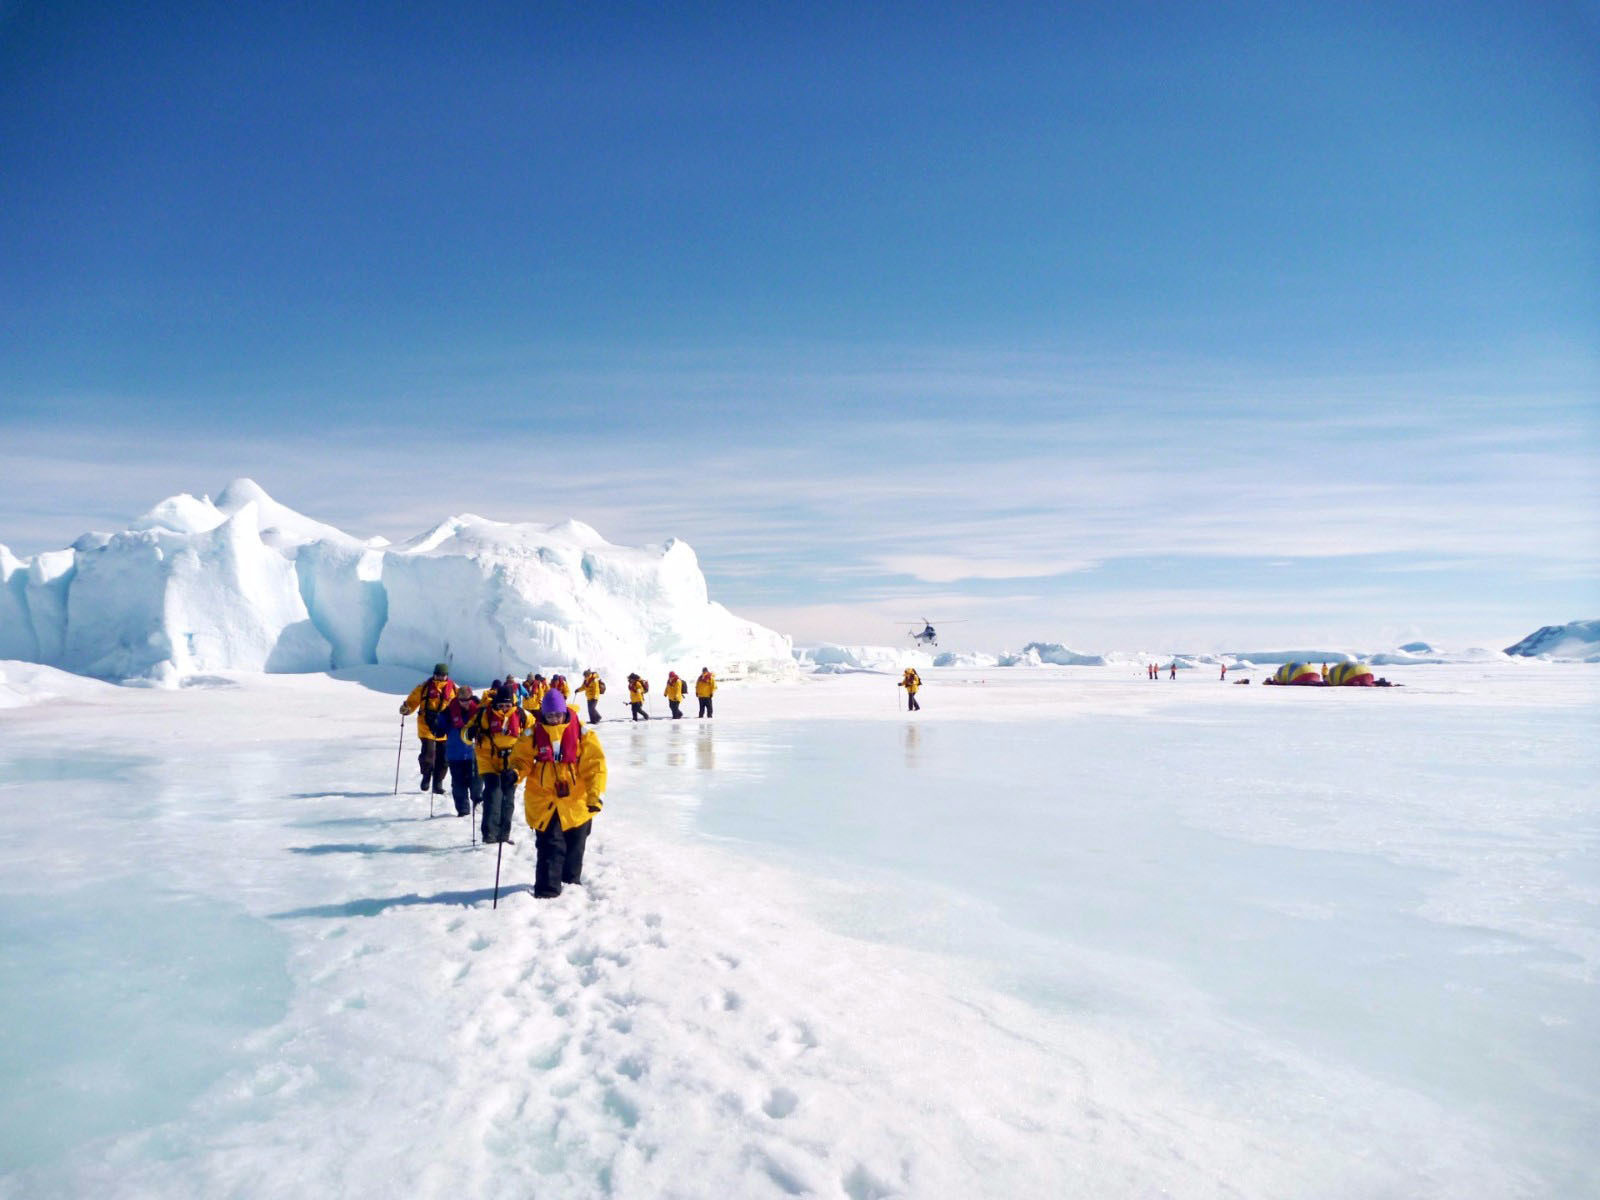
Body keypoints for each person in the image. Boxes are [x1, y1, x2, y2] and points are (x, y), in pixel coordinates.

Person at [512, 687, 607, 899]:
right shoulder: (532, 735)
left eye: (557, 714)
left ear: (564, 712)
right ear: (543, 714)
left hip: (578, 801)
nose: (554, 719)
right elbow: (521, 760)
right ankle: (548, 893)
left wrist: (594, 796)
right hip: (544, 799)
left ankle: (571, 888)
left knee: (576, 845)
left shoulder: (583, 735)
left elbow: (595, 767)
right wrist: (514, 774)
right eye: (549, 715)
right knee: (550, 846)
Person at [470, 685, 525, 845]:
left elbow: (534, 731)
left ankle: (503, 835)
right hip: (489, 761)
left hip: (512, 763)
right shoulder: (484, 715)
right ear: (495, 703)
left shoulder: (521, 715)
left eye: (507, 705)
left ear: (512, 704)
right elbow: (465, 734)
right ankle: (489, 834)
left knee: (508, 798)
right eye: (501, 705)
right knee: (493, 793)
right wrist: (470, 732)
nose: (504, 708)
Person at [399, 663, 457, 795]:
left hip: (444, 728)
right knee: (428, 754)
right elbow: (412, 701)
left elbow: (458, 706)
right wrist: (406, 709)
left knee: (443, 758)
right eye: (438, 674)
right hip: (426, 726)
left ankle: (438, 782)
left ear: (447, 676)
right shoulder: (424, 687)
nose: (440, 677)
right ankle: (426, 775)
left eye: (442, 675)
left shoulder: (453, 689)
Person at [441, 685, 482, 817]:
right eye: (461, 700)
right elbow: (439, 727)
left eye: (467, 700)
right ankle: (463, 810)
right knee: (458, 783)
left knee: (476, 780)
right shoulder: (448, 712)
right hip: (455, 753)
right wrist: (435, 724)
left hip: (474, 753)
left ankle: (477, 800)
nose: (465, 703)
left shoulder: (479, 711)